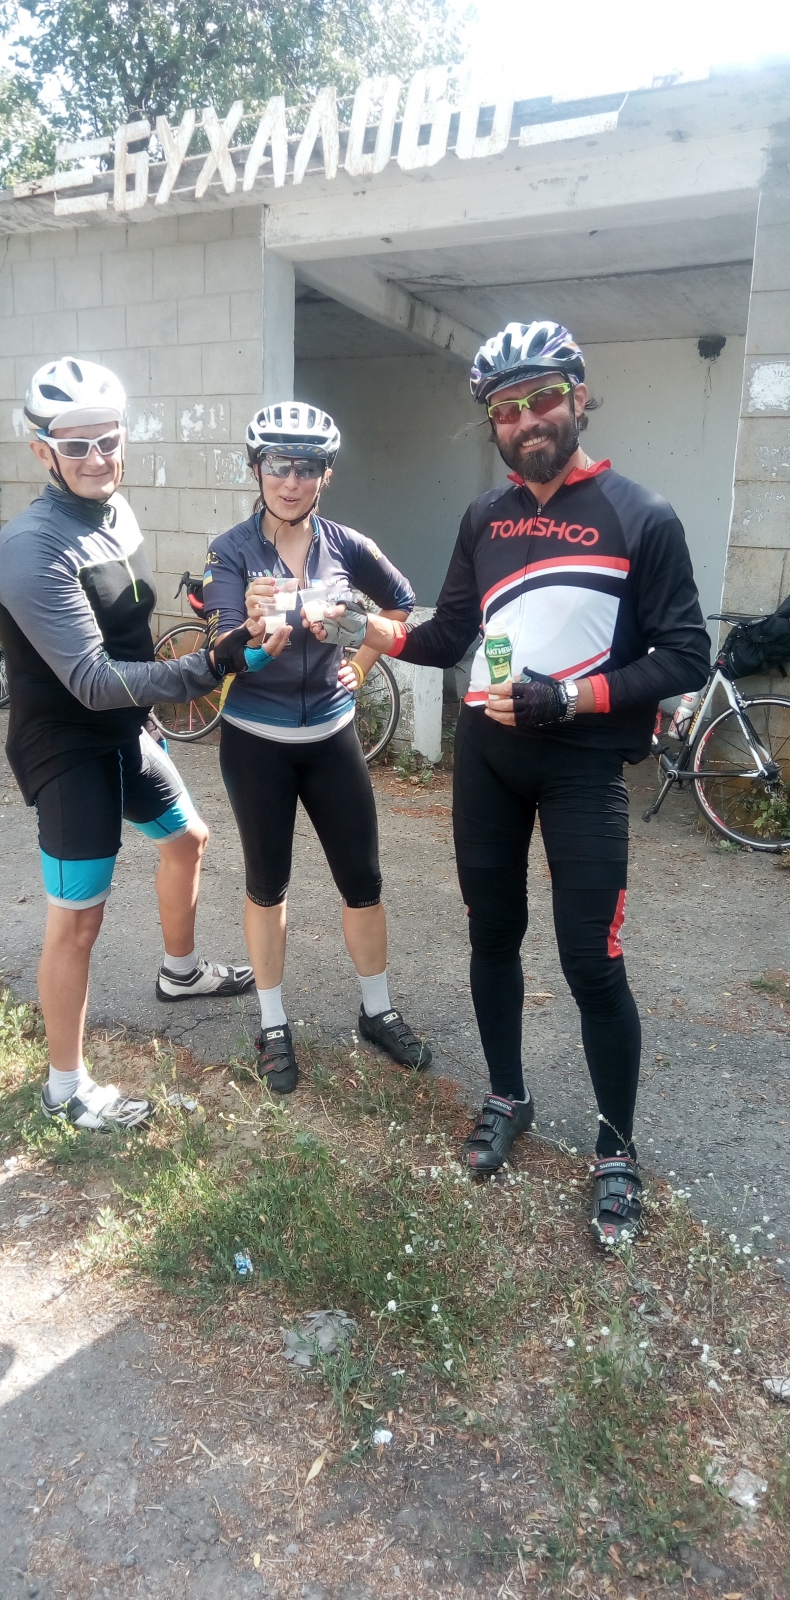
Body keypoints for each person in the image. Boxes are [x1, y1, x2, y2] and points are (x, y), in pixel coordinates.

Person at [351, 322, 710, 1245]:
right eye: (505, 410)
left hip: (583, 763)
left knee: (592, 961)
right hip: (488, 757)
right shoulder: (484, 517)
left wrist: (573, 696)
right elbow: (447, 635)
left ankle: (617, 1149)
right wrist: (362, 628)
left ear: (579, 398)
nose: (526, 420)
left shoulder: (641, 514)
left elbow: (686, 655)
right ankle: (508, 1096)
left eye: (543, 398)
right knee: (492, 936)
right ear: (494, 426)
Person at [0, 357, 279, 1131]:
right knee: (78, 920)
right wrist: (211, 665)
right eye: (75, 445)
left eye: (108, 440)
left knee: (187, 838)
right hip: (66, 748)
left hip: (124, 727)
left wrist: (178, 676)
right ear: (42, 451)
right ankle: (65, 1088)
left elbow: (128, 633)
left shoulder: (115, 514)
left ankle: (180, 973)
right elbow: (89, 677)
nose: (97, 458)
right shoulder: (30, 547)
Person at [202, 401, 431, 1093]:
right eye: (278, 465)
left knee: (363, 881)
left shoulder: (348, 545)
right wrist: (249, 627)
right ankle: (273, 1024)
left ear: (326, 474)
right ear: (256, 468)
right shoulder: (230, 551)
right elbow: (220, 648)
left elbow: (401, 605)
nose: (291, 481)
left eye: (306, 468)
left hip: (331, 738)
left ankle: (377, 1010)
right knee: (266, 884)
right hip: (257, 742)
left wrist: (359, 658)